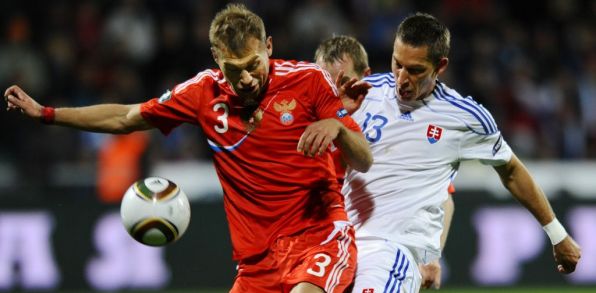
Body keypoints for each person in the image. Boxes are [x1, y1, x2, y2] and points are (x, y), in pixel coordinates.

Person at [4, 4, 373, 293]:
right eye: (233, 68)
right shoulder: (203, 93)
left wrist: (338, 127)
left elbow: (364, 159)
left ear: (269, 47)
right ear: (216, 58)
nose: (245, 79)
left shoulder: (308, 80)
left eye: (252, 65)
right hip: (255, 265)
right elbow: (126, 117)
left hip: (318, 240)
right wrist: (48, 113)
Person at [338, 13, 581, 292]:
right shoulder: (363, 94)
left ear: (440, 66)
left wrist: (558, 235)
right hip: (340, 243)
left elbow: (511, 170)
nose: (402, 79)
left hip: (394, 251)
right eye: (397, 64)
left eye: (416, 70)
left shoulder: (465, 118)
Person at [314, 34, 455, 290]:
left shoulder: (388, 132)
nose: (335, 92)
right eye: (325, 83)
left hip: (372, 252)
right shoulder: (303, 128)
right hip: (317, 253)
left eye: (343, 81)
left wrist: (430, 256)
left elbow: (442, 198)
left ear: (366, 77)